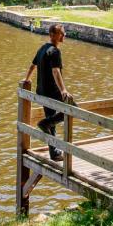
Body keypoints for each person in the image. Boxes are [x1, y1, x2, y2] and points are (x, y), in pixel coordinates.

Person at [24, 23, 70, 162]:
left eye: (63, 33)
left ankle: (54, 153)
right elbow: (55, 71)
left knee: (52, 121)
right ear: (53, 35)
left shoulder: (42, 48)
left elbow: (33, 65)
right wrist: (63, 90)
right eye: (61, 33)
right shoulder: (55, 51)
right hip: (52, 91)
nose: (64, 35)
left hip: (41, 91)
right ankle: (45, 124)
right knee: (72, 110)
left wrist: (27, 79)